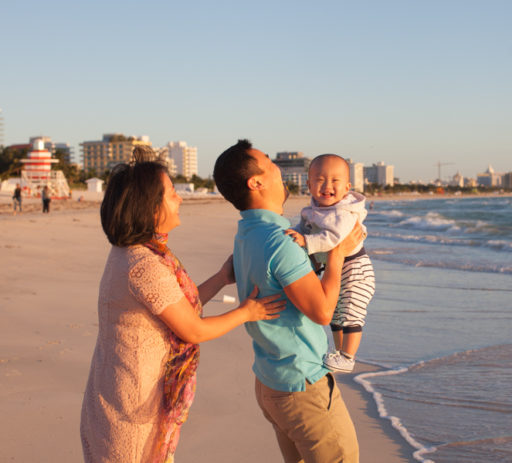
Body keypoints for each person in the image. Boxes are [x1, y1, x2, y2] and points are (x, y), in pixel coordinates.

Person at [80, 147, 286, 463]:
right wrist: (247, 311)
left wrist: (220, 278)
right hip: (131, 412)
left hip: (116, 398)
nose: (179, 200)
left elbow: (176, 309)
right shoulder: (143, 266)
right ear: (150, 208)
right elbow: (193, 329)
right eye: (172, 193)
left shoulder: (135, 253)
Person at [213, 139, 364, 463]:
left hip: (270, 380)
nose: (279, 169)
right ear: (256, 182)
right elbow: (323, 311)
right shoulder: (279, 242)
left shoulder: (247, 234)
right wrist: (337, 255)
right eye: (269, 163)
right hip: (301, 384)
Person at [285, 154, 375, 373]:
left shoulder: (342, 213)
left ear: (347, 187)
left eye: (335, 181)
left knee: (351, 313)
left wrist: (306, 241)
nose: (327, 185)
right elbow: (304, 228)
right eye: (320, 179)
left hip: (355, 270)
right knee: (336, 314)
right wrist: (295, 234)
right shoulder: (314, 208)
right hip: (337, 268)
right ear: (308, 185)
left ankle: (348, 356)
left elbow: (333, 239)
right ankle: (337, 352)